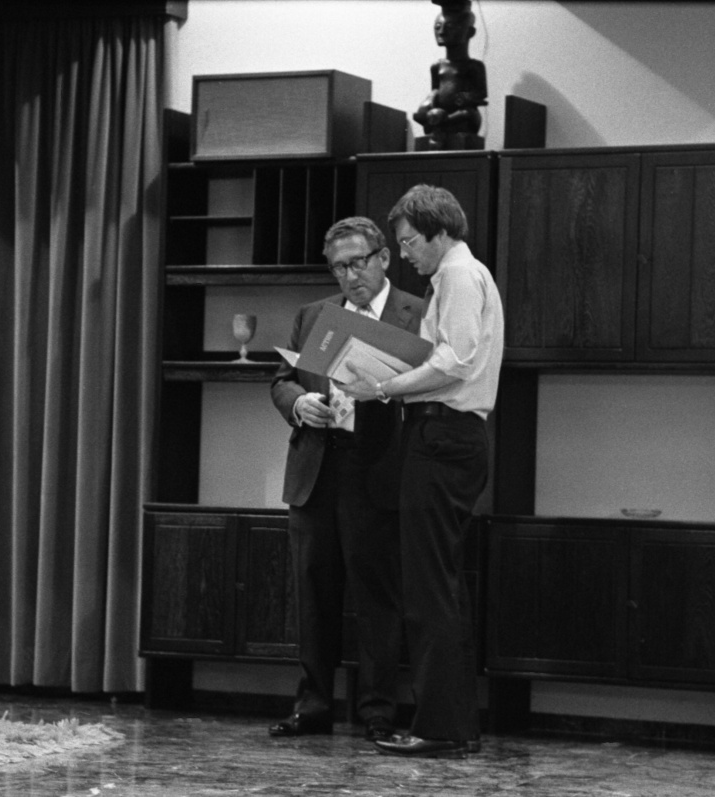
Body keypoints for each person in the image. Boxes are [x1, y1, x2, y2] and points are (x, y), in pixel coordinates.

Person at [342, 185, 504, 759]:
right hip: (444, 437)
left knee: (430, 588)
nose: (405, 253)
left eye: (409, 241)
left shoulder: (460, 276)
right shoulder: (455, 277)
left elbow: (453, 362)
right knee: (436, 585)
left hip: (444, 437)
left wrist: (381, 386)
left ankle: (441, 728)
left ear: (439, 231)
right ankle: (449, 724)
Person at [268, 216, 426, 743]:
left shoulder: (418, 314)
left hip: (378, 471)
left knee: (377, 600)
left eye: (358, 262)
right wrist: (300, 403)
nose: (349, 275)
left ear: (383, 257)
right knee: (313, 595)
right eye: (339, 266)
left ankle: (378, 712)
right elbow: (283, 380)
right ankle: (312, 707)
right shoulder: (314, 315)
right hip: (316, 471)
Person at [413, 0, 488, 150]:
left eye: (451, 27)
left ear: (470, 32)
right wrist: (429, 103)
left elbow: (481, 93)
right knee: (420, 115)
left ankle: (440, 123)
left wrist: (468, 97)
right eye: (438, 27)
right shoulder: (437, 66)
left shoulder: (474, 66)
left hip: (461, 115)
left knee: (467, 115)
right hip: (441, 112)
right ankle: (439, 121)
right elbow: (435, 89)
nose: (442, 32)